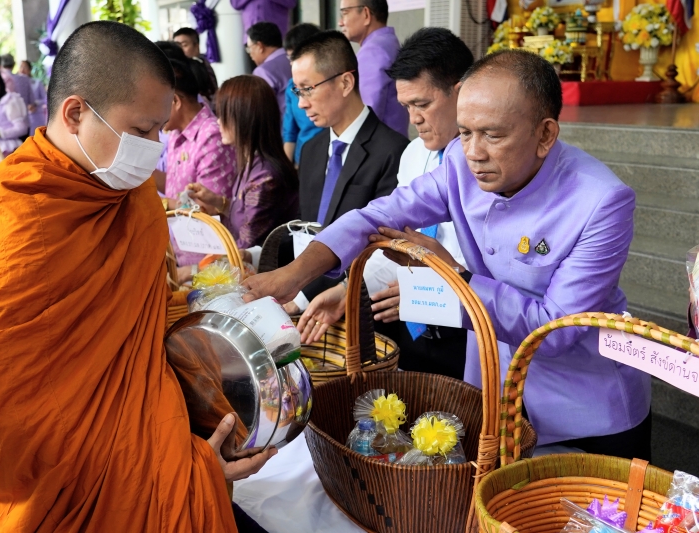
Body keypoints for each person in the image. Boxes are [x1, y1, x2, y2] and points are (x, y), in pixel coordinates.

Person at [244, 50, 652, 461]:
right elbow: (379, 214)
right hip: (491, 387)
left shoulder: (600, 200)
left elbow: (555, 330)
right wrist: (294, 275)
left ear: (545, 135)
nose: (474, 152)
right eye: (465, 132)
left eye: (492, 135)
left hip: (582, 408)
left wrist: (453, 274)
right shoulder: (459, 161)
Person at [0, 22, 273, 531]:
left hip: (156, 428)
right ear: (75, 113)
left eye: (160, 129)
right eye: (141, 131)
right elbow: (9, 396)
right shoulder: (19, 226)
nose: (155, 146)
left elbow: (153, 312)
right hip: (72, 480)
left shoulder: (132, 198)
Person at [297, 28, 472, 378]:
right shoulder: (412, 156)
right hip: (410, 326)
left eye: (423, 104)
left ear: (462, 92)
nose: (414, 119)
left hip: (467, 329)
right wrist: (347, 290)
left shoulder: (487, 168)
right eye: (407, 106)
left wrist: (428, 292)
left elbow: (484, 266)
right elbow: (394, 243)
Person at [284, 30, 408, 314]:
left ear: (345, 82)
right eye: (296, 91)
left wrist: (302, 296)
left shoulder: (393, 151)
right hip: (305, 304)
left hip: (359, 309)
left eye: (308, 88)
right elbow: (308, 230)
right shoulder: (313, 149)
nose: (301, 103)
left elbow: (379, 246)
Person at [187, 75, 299, 256]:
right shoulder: (252, 163)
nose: (218, 122)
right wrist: (218, 202)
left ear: (245, 119)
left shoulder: (266, 178)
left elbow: (245, 248)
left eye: (224, 115)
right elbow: (246, 218)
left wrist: (193, 270)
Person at [158, 52, 236, 274]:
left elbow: (206, 209)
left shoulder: (211, 136)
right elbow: (176, 187)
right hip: (179, 254)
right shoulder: (175, 132)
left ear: (175, 101)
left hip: (208, 266)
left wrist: (162, 206)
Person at [339, 0, 408, 137]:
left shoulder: (373, 51)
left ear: (365, 14)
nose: (340, 22)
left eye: (345, 13)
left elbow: (366, 113)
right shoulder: (388, 42)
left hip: (378, 149)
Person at [282, 23, 322, 165]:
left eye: (296, 57)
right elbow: (289, 131)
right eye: (290, 58)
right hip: (303, 158)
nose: (292, 64)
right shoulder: (291, 86)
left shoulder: (328, 84)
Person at [247, 22, 292, 116]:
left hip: (282, 127)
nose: (250, 54)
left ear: (260, 46)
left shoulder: (263, 71)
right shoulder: (295, 59)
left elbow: (261, 110)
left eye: (250, 48)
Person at [173, 27, 218, 108]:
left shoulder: (201, 66)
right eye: (176, 46)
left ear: (196, 46)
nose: (179, 50)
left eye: (184, 45)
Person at [230, 0, 296, 48]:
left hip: (276, 36)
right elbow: (235, 3)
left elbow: (291, 2)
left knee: (276, 65)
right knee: (256, 67)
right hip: (251, 36)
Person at [18, 59, 47, 134]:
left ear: (29, 70)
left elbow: (45, 98)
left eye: (25, 67)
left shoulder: (37, 82)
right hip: (24, 116)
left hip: (37, 114)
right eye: (21, 67)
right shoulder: (16, 84)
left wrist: (35, 103)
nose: (22, 69)